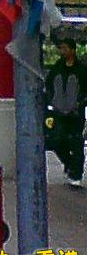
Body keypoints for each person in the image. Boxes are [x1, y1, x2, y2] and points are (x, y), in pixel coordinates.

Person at [45, 37, 87, 187]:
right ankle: (68, 163)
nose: (63, 51)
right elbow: (48, 84)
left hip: (75, 114)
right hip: (59, 112)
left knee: (76, 143)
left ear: (72, 50)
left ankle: (76, 174)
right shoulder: (57, 67)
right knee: (55, 140)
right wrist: (52, 100)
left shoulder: (81, 70)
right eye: (61, 48)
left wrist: (80, 103)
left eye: (65, 48)